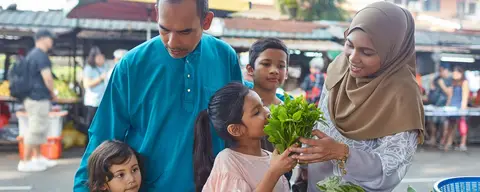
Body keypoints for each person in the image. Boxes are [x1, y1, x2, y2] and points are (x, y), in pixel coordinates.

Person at [73, 0, 243, 191]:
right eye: (164, 29)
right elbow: (103, 138)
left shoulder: (225, 57)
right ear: (156, 14)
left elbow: (238, 128)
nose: (172, 42)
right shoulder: (131, 65)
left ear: (207, 21)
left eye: (185, 31)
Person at [289, 2, 425, 191]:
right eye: (349, 45)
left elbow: (391, 168)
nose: (353, 58)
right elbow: (320, 124)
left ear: (392, 53)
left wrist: (343, 153)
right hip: (315, 184)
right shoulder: (340, 67)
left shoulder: (403, 94)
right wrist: (304, 168)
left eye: (367, 52)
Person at [193, 82, 296, 192]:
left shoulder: (271, 157)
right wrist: (274, 172)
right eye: (257, 112)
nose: (267, 111)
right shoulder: (228, 161)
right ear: (236, 130)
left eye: (263, 105)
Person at [17, 29, 58, 172]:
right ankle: (25, 161)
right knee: (35, 130)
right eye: (50, 39)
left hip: (32, 97)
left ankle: (38, 158)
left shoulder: (32, 55)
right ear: (42, 39)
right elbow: (47, 77)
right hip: (38, 98)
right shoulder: (40, 56)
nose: (51, 42)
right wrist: (52, 93)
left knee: (38, 128)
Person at [82, 46, 108, 147]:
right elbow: (86, 84)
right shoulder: (89, 68)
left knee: (102, 126)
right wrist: (100, 78)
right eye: (99, 57)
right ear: (94, 57)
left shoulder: (104, 66)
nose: (102, 59)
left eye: (103, 57)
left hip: (103, 101)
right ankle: (89, 146)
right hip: (93, 102)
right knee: (91, 125)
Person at [441, 66, 470, 151]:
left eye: (457, 73)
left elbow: (465, 96)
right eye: (454, 73)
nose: (455, 74)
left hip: (460, 106)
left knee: (462, 124)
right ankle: (449, 143)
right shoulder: (453, 82)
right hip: (452, 107)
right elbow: (450, 96)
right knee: (450, 125)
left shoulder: (464, 82)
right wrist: (447, 106)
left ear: (461, 73)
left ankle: (462, 143)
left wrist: (463, 108)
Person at [425, 62, 451, 147]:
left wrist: (441, 84)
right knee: (433, 122)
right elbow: (431, 90)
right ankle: (433, 139)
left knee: (443, 124)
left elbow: (448, 93)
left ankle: (442, 140)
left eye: (442, 70)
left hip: (444, 105)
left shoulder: (449, 80)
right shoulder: (437, 79)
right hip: (435, 104)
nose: (441, 72)